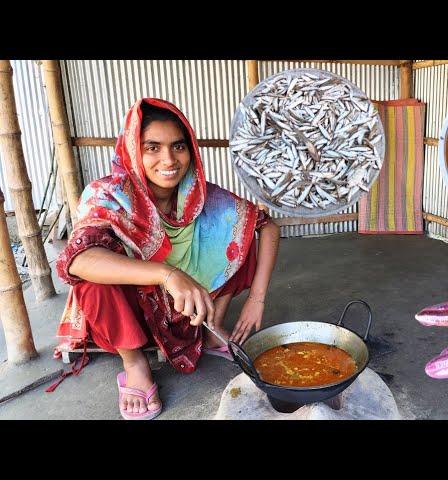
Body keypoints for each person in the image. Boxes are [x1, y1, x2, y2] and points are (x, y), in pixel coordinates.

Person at [53, 98, 280, 420]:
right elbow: (77, 259)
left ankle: (209, 327)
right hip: (132, 310)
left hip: (192, 305)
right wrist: (168, 274)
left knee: (238, 233)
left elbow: (267, 227)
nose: (169, 160)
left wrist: (257, 299)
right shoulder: (108, 195)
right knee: (92, 279)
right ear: (133, 149)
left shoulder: (204, 196)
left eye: (178, 146)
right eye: (152, 148)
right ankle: (134, 364)